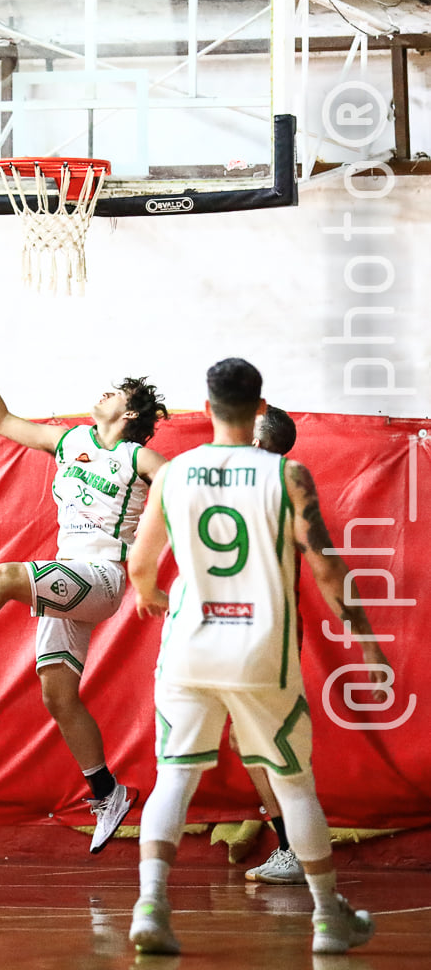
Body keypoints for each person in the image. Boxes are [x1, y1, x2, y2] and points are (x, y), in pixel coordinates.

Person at [127, 358, 389, 956]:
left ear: (206, 405)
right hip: (259, 653)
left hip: (189, 649)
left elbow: (141, 567)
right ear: (261, 407)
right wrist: (367, 641)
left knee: (175, 777)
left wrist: (152, 597)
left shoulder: (174, 473)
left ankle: (151, 905)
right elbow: (325, 568)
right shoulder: (288, 475)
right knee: (295, 786)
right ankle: (327, 918)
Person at [0, 325, 168, 853]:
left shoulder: (135, 460)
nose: (104, 393)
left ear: (129, 414)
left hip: (101, 578)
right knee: (57, 696)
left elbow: (173, 480)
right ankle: (108, 792)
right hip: (68, 578)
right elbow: (1, 421)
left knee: (9, 575)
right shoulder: (71, 440)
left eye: (117, 392)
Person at [235, 404, 306, 885]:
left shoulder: (259, 487)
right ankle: (295, 846)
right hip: (265, 625)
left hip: (259, 625)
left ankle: (294, 848)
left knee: (261, 741)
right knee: (255, 739)